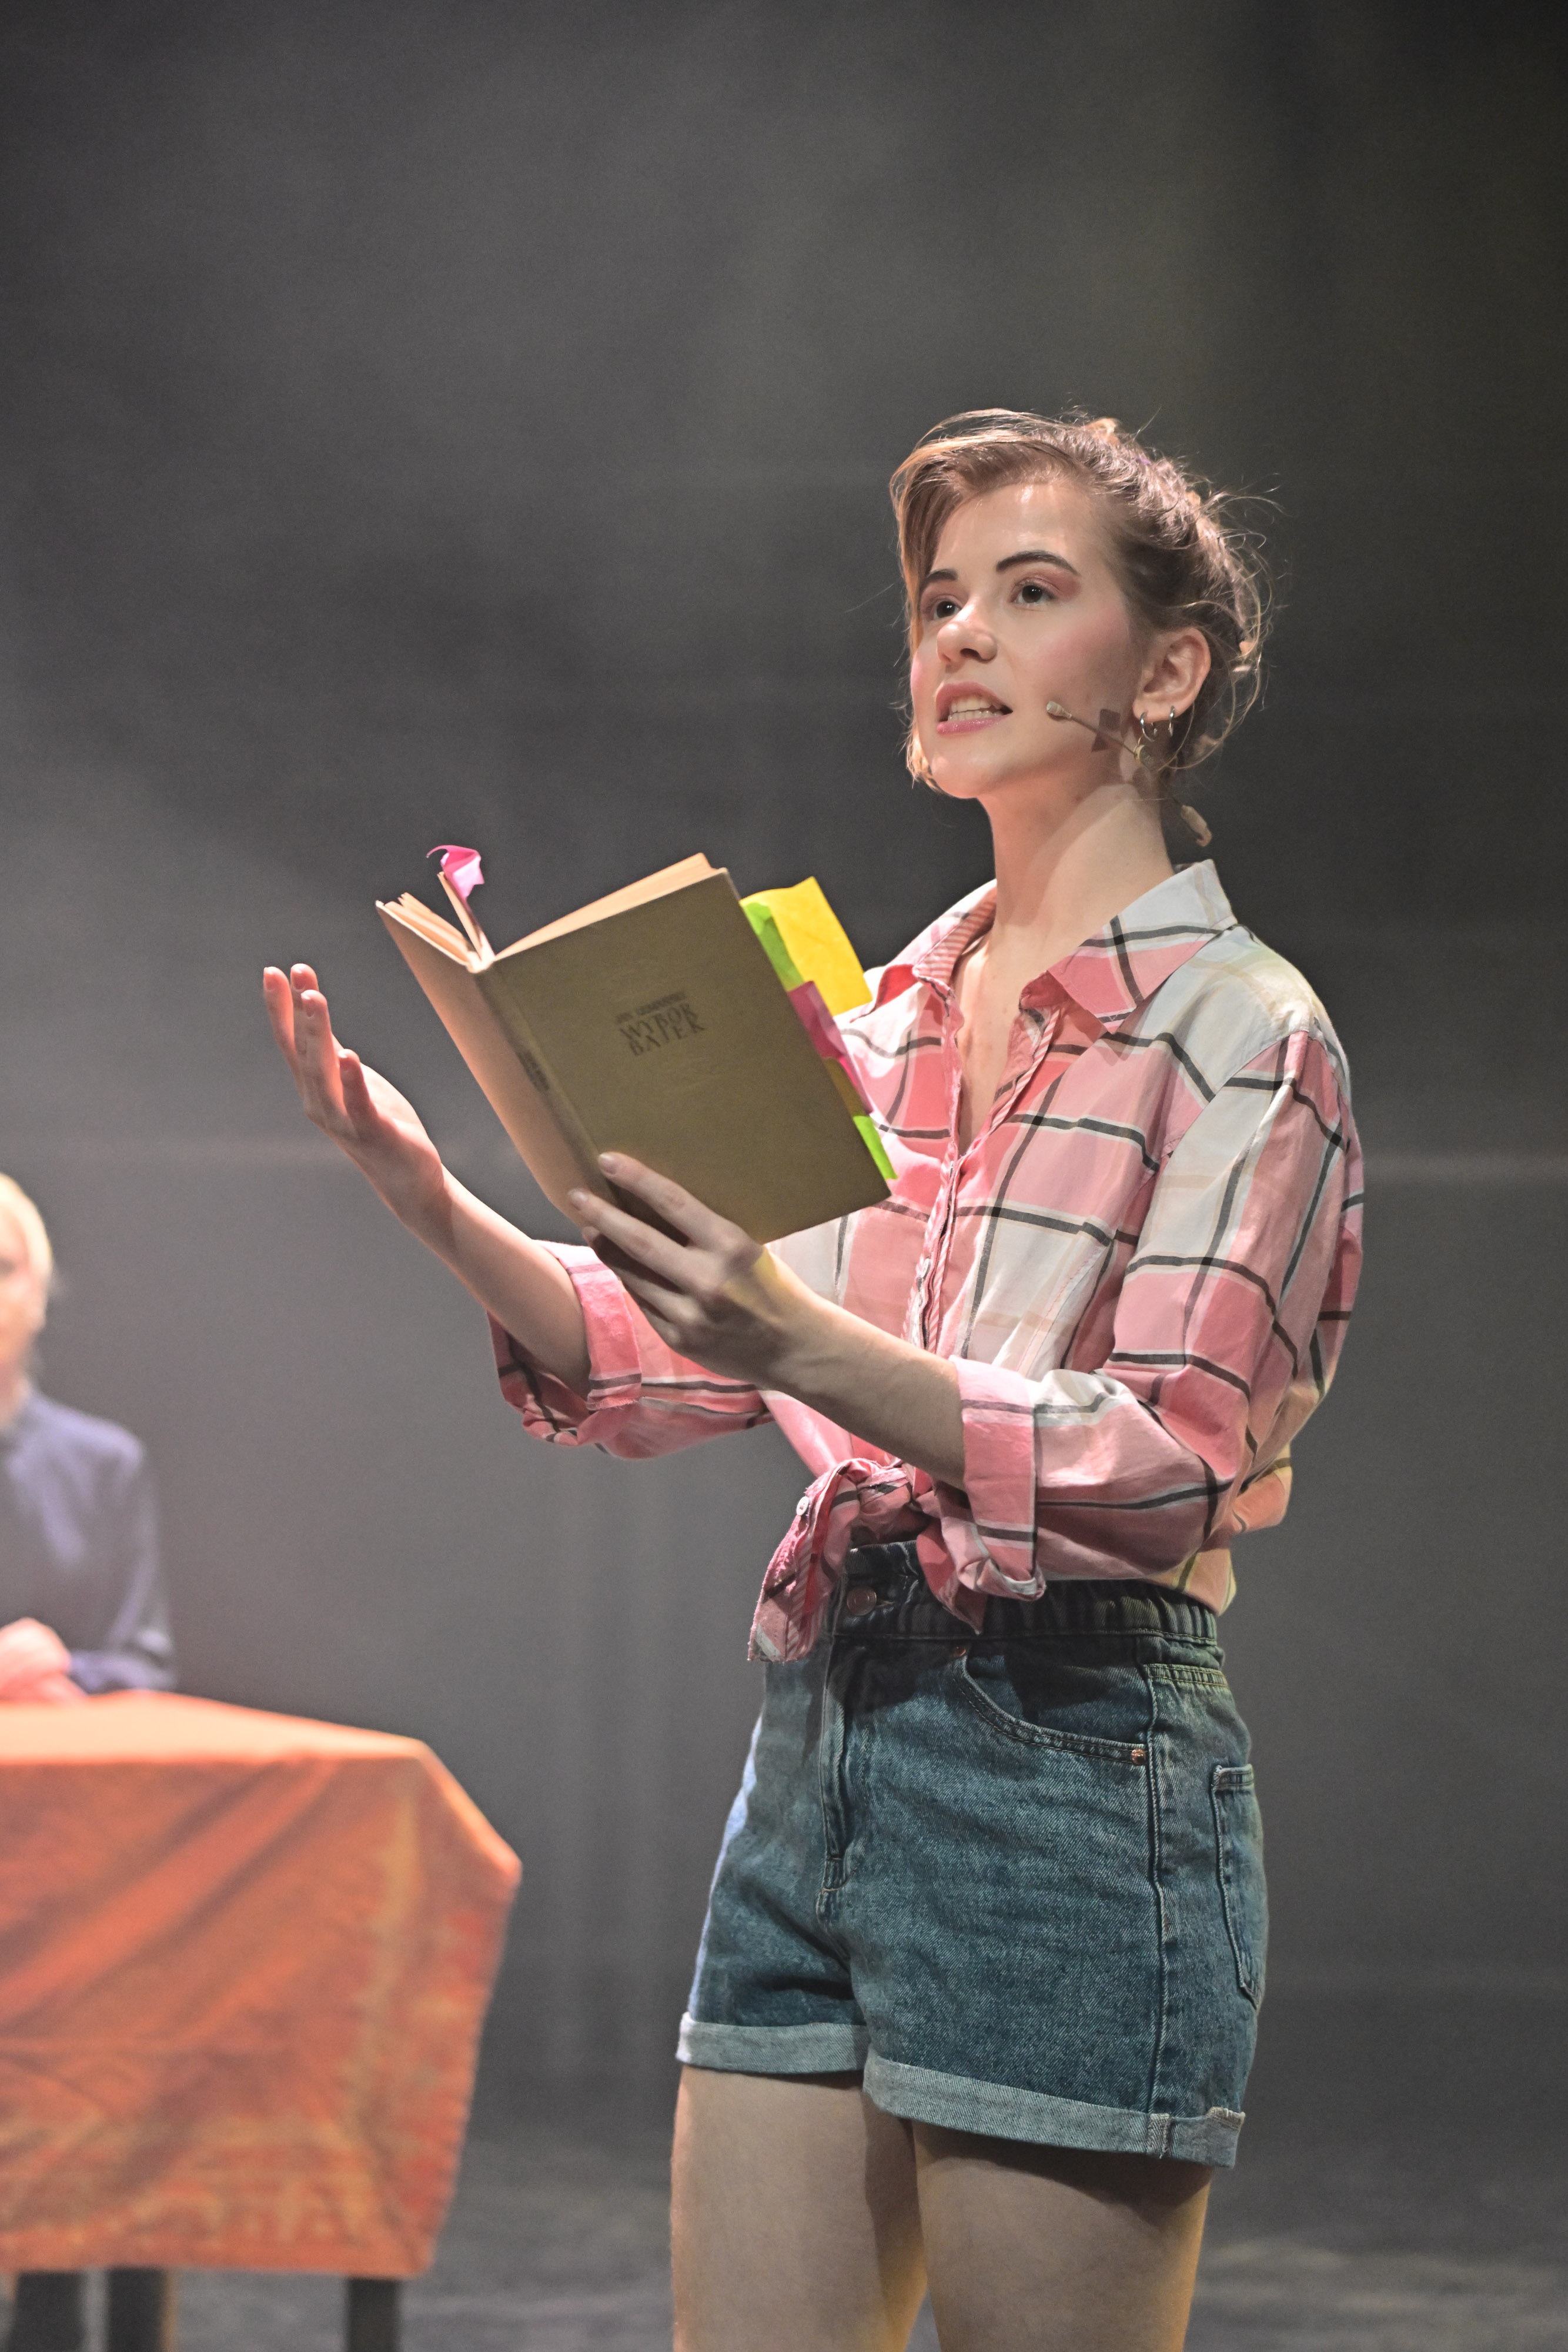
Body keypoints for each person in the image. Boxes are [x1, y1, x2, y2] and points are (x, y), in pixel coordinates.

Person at [264, 409, 1362, 2351]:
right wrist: (435, 1201)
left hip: (1070, 1762)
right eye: (936, 601)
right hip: (825, 1738)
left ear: (1164, 670)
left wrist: (796, 1339)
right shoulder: (893, 1013)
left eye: (1029, 593)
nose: (959, 636)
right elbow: (677, 1352)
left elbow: (1165, 1461)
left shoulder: (1240, 1031)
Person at [0, 1176, 178, 2352]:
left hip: (65, 1854)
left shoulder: (101, 1461)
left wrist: (60, 1663)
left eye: (2, 1267)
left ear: (42, 1289)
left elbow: (146, 1660)